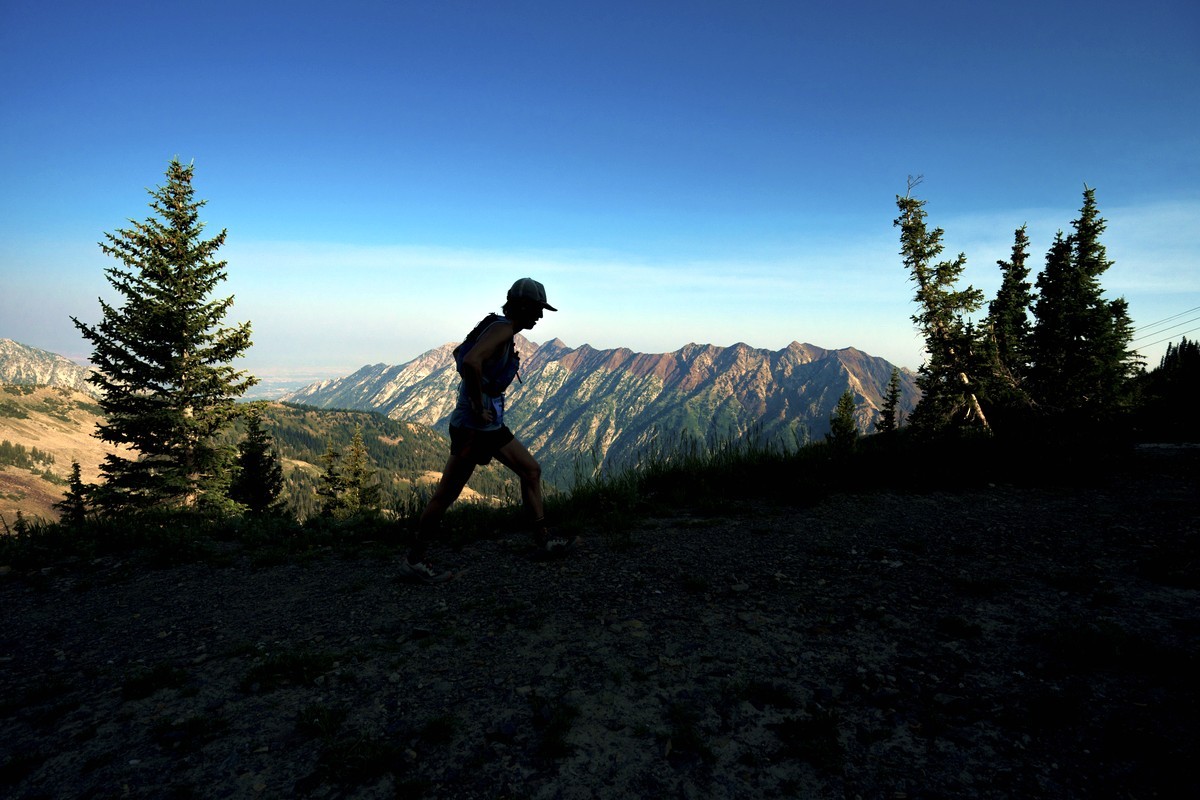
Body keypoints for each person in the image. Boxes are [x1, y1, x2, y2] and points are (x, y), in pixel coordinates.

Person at [399, 278, 575, 583]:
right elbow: (470, 361)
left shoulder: (499, 327)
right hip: (474, 427)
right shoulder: (503, 329)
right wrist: (479, 404)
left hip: (488, 426)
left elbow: (471, 361)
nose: (540, 316)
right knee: (446, 494)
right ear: (521, 306)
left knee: (531, 470)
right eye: (536, 309)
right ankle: (414, 559)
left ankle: (543, 540)